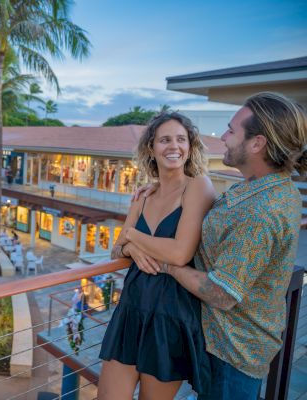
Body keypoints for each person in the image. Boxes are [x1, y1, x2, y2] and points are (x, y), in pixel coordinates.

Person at [131, 92, 306, 400]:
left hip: (233, 355)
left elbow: (221, 293)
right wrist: (161, 187)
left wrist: (169, 265)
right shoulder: (263, 189)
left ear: (257, 144)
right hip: (223, 344)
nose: (223, 137)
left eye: (231, 130)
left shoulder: (261, 211)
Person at [98, 112, 216, 399]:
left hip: (170, 316)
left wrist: (132, 236)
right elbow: (117, 249)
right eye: (164, 140)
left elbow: (179, 253)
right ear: (151, 148)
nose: (173, 146)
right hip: (131, 309)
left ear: (190, 146)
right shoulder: (144, 196)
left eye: (181, 139)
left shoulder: (198, 186)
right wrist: (131, 247)